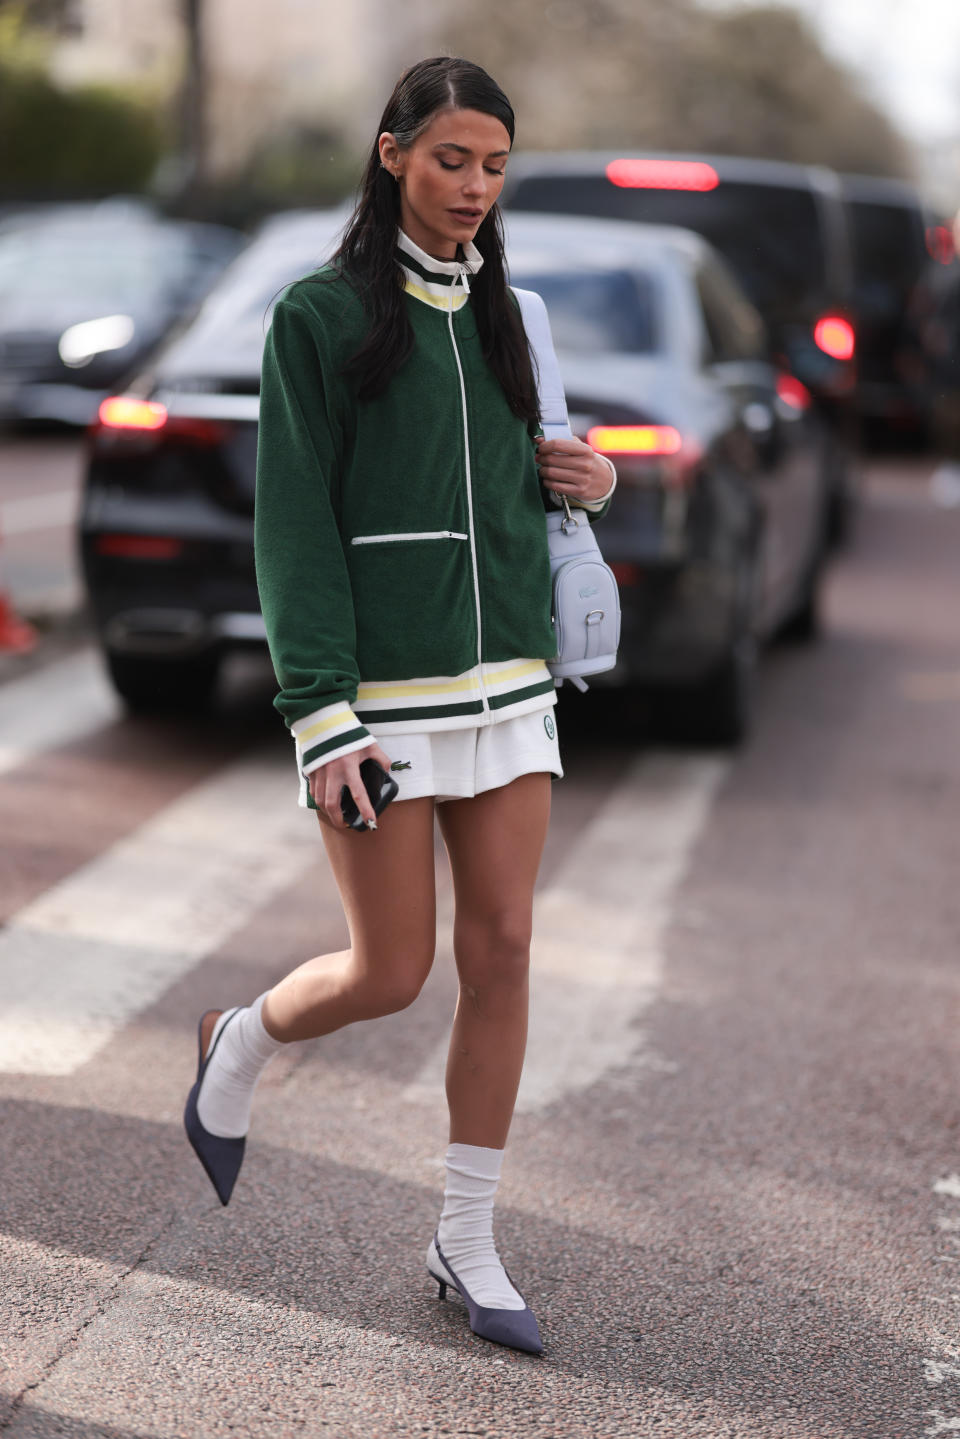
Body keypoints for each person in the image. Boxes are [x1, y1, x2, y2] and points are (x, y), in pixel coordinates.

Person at [183, 55, 616, 1356]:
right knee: (391, 971)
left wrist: (581, 481)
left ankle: (466, 1239)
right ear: (392, 158)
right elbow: (293, 526)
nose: (474, 187)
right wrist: (321, 713)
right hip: (378, 698)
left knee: (504, 953)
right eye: (450, 160)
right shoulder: (316, 317)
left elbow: (527, 496)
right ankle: (239, 1036)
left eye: (493, 165)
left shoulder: (513, 319)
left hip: (510, 687)